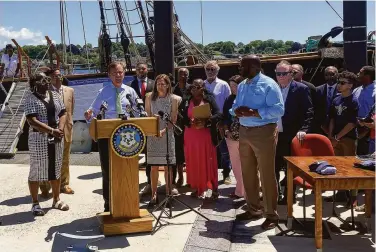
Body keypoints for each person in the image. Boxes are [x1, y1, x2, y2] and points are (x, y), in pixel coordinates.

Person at [232, 55, 284, 230]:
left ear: (253, 67)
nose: (239, 69)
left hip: (264, 132)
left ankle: (271, 215)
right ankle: (254, 208)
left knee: (267, 173)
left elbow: (278, 109)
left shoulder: (269, 84)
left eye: (242, 66)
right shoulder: (241, 85)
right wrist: (236, 111)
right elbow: (234, 105)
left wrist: (254, 112)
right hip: (244, 131)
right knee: (248, 172)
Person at [84, 62, 140, 212]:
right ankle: (109, 203)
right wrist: (89, 116)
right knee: (108, 170)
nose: (118, 75)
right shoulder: (103, 92)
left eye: (121, 72)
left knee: (128, 169)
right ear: (109, 75)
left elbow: (139, 113)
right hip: (107, 136)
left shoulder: (130, 91)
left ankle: (128, 201)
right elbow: (92, 113)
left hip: (127, 136)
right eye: (115, 73)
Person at [24, 72, 69, 216]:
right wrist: (51, 130)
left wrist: (60, 129)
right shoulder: (30, 98)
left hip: (56, 136)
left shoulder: (54, 95)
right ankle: (35, 203)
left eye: (48, 80)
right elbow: (32, 120)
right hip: (38, 138)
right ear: (35, 83)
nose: (47, 82)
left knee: (55, 168)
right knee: (36, 171)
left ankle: (56, 199)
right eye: (43, 80)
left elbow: (63, 112)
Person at [273, 60, 313, 204]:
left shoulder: (301, 89)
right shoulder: (272, 89)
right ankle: (275, 194)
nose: (281, 76)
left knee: (291, 168)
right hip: (275, 134)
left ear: (291, 74)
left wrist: (303, 129)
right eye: (278, 73)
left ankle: (289, 195)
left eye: (284, 73)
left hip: (292, 134)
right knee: (274, 167)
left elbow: (309, 112)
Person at [180, 79, 222, 199]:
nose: (194, 88)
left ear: (203, 88)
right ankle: (198, 188)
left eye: (197, 86)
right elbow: (181, 116)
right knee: (194, 161)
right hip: (191, 136)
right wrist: (189, 121)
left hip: (205, 135)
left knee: (208, 161)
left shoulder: (209, 99)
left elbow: (219, 114)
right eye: (193, 86)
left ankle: (214, 188)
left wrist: (207, 121)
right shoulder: (187, 100)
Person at [145, 74, 181, 205]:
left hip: (167, 133)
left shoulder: (174, 99)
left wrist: (163, 131)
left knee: (168, 167)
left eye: (163, 84)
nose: (160, 86)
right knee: (154, 166)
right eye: (158, 83)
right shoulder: (149, 97)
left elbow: (173, 119)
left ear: (168, 85)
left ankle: (168, 193)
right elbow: (147, 115)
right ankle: (154, 195)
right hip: (153, 134)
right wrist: (154, 131)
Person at [39, 68, 75, 197]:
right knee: (47, 159)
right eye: (54, 76)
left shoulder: (70, 90)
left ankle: (64, 185)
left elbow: (70, 110)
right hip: (50, 130)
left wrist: (68, 124)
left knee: (65, 159)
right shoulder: (45, 92)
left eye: (60, 75)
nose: (58, 78)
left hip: (66, 129)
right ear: (50, 78)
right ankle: (45, 187)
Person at [127, 62, 155, 195]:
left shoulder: (154, 83)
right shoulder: (130, 86)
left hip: (150, 120)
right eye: (138, 69)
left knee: (150, 152)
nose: (141, 71)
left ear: (147, 70)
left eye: (143, 68)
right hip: (136, 122)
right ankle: (132, 181)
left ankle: (150, 181)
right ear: (136, 71)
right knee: (135, 150)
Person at [203, 60, 232, 184]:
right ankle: (208, 175)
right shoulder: (201, 85)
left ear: (217, 71)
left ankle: (226, 174)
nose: (210, 71)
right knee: (207, 150)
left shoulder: (224, 85)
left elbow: (229, 103)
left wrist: (225, 122)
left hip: (219, 122)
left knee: (224, 151)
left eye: (213, 69)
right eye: (208, 69)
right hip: (204, 123)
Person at [222, 75, 246, 199]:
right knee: (236, 166)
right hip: (231, 136)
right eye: (231, 86)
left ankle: (249, 192)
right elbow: (225, 117)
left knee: (247, 165)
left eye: (235, 86)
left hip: (246, 137)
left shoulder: (247, 98)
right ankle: (239, 191)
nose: (233, 88)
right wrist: (226, 130)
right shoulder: (229, 99)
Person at [172, 67, 190, 187]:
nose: (183, 76)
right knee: (178, 153)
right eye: (181, 74)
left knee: (189, 152)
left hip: (190, 125)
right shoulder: (173, 90)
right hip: (177, 126)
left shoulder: (191, 89)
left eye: (185, 74)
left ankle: (191, 177)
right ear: (177, 76)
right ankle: (180, 177)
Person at [353, 66, 376, 155]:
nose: (357, 74)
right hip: (356, 130)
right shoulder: (356, 90)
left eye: (360, 72)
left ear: (367, 76)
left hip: (370, 132)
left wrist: (366, 129)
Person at [313, 66, 339, 134]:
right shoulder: (318, 90)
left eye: (332, 74)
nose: (329, 77)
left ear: (337, 74)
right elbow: (315, 108)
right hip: (321, 126)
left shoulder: (342, 89)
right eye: (327, 75)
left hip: (338, 125)